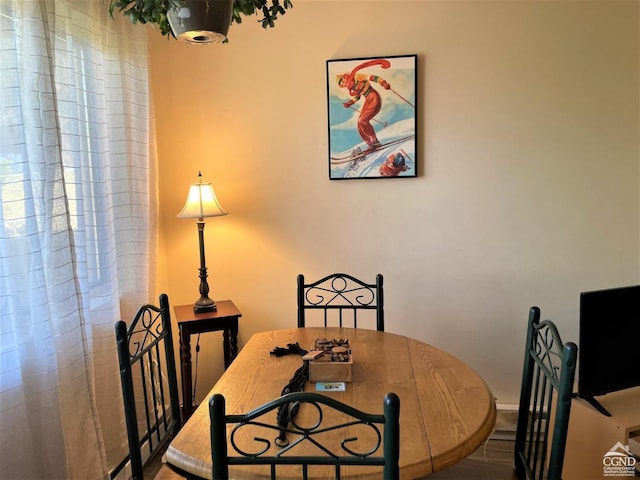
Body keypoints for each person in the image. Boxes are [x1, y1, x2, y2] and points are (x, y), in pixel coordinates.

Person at [337, 72, 390, 150]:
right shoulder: (352, 87)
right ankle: (370, 143)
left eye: (343, 81)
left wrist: (383, 82)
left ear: (345, 78)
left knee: (363, 120)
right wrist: (350, 103)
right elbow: (357, 96)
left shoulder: (357, 77)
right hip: (368, 100)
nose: (345, 84)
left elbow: (372, 77)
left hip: (374, 97)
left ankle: (375, 141)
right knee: (359, 123)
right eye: (343, 85)